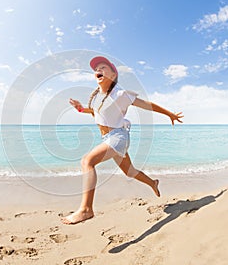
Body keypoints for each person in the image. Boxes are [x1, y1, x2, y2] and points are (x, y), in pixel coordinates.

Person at [61, 56, 183, 225]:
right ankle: (153, 183)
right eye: (96, 69)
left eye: (103, 67)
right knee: (130, 171)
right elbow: (98, 113)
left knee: (87, 161)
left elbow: (148, 105)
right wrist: (81, 109)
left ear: (113, 74)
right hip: (109, 138)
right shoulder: (100, 97)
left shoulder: (121, 93)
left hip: (118, 137)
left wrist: (170, 114)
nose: (98, 70)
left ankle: (86, 209)